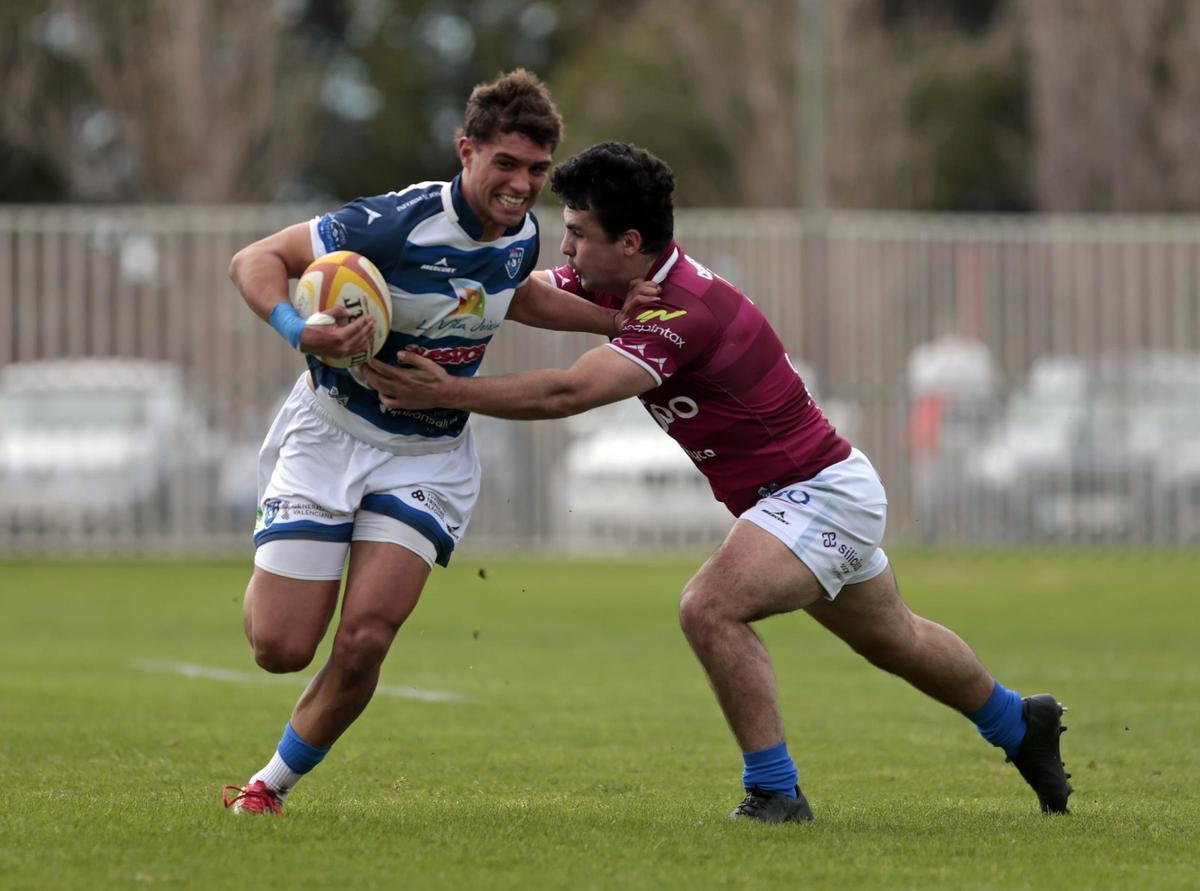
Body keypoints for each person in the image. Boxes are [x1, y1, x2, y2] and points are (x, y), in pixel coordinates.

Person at [364, 142, 1074, 823]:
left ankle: (775, 793)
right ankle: (1019, 721)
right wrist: (419, 270)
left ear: (630, 241)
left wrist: (449, 392)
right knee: (896, 639)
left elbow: (567, 393)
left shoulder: (683, 311)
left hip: (822, 494)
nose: (567, 249)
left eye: (578, 233)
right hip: (798, 498)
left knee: (709, 607)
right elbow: (523, 294)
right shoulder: (625, 282)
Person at [221, 71, 641, 815]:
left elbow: (514, 293)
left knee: (365, 640)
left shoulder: (521, 234)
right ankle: (280, 555)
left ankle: (268, 787)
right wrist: (298, 328)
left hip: (429, 456)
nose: (522, 185)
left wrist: (613, 320)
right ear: (466, 151)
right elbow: (253, 260)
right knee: (280, 648)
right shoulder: (393, 223)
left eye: (537, 170)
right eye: (506, 164)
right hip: (330, 435)